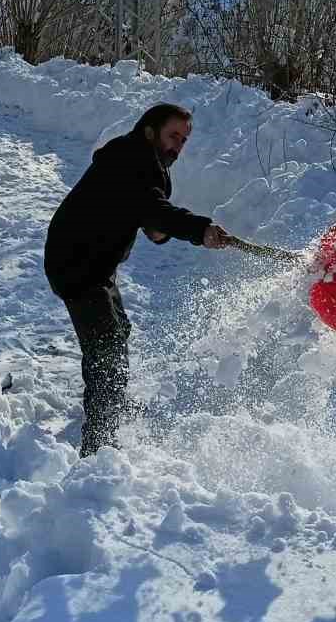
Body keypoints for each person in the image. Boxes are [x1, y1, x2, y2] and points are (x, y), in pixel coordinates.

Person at [45, 103, 232, 457]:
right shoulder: (129, 159)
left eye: (184, 140)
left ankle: (110, 408)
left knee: (117, 332)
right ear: (149, 131)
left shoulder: (146, 164)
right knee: (106, 351)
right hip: (76, 264)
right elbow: (153, 208)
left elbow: (148, 214)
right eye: (173, 135)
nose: (178, 145)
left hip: (96, 265)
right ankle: (98, 447)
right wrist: (199, 228)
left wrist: (157, 226)